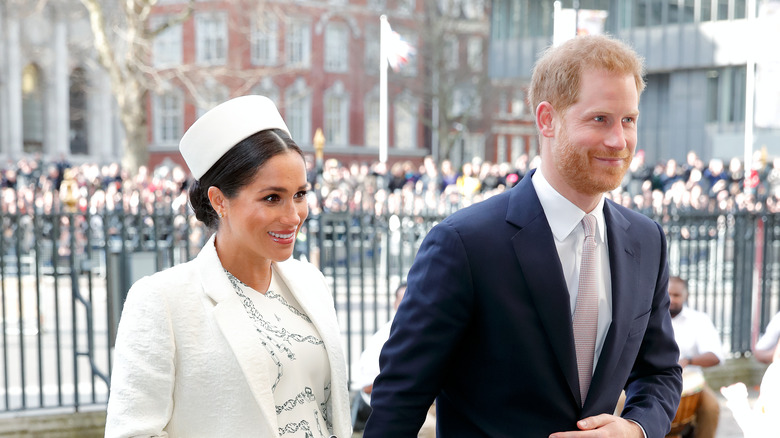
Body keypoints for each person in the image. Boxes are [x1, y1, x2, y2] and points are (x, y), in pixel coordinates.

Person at [363, 34, 682, 437]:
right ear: (547, 119)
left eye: (629, 120)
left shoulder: (646, 239)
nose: (619, 140)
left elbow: (661, 371)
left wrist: (636, 428)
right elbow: (400, 399)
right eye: (600, 119)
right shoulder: (464, 243)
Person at [105, 95, 352, 437]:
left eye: (300, 194)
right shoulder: (162, 301)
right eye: (272, 198)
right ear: (219, 200)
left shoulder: (311, 282)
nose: (293, 215)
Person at [351, 283, 436, 437]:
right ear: (395, 304)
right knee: (430, 429)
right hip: (397, 401)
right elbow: (367, 387)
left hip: (426, 400)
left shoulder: (427, 330)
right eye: (403, 300)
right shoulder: (382, 337)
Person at [668, 276, 724, 438]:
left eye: (676, 295)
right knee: (624, 401)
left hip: (690, 382)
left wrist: (688, 361)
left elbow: (715, 356)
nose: (671, 299)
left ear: (685, 296)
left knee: (711, 408)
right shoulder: (650, 317)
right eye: (668, 294)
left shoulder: (699, 320)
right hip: (652, 378)